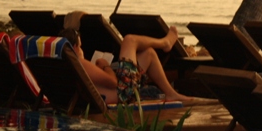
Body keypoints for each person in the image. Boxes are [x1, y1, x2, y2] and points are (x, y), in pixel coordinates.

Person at [59, 25, 192, 104]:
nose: (82, 50)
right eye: (81, 47)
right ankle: (165, 43)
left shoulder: (65, 66)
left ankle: (170, 93)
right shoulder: (79, 63)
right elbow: (113, 82)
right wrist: (105, 66)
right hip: (124, 93)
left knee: (148, 54)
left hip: (118, 93)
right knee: (129, 40)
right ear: (75, 47)